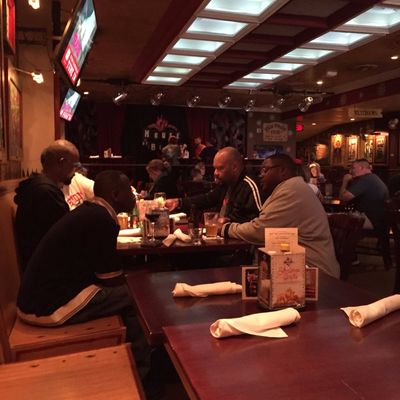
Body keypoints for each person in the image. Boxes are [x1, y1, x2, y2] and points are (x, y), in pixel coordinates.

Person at [221, 154, 340, 278]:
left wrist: (225, 228)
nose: (260, 175)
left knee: (226, 273)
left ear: (282, 170)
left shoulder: (291, 191)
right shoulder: (290, 188)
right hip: (297, 268)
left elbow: (259, 231)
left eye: (265, 170)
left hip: (314, 274)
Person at [14, 139, 80, 271]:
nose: (75, 171)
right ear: (61, 162)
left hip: (42, 264)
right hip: (46, 270)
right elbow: (65, 236)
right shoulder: (45, 192)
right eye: (74, 166)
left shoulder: (38, 186)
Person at [167, 146, 263, 223]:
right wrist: (178, 202)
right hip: (222, 235)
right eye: (215, 168)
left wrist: (229, 221)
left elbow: (258, 221)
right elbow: (207, 199)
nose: (215, 173)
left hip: (237, 240)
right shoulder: (226, 183)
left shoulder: (250, 185)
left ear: (234, 167)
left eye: (220, 168)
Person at [339, 158, 389, 231]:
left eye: (353, 168)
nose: (350, 171)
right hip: (379, 221)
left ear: (361, 168)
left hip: (371, 221)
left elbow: (343, 198)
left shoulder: (366, 180)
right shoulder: (373, 178)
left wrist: (345, 181)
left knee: (334, 220)